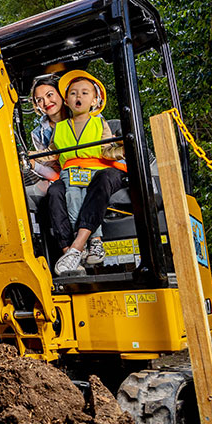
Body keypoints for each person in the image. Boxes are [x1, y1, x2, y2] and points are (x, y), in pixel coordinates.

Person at [46, 70, 127, 276]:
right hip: (71, 173)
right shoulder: (60, 128)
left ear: (94, 100)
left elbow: (107, 151)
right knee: (56, 192)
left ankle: (85, 242)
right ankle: (69, 254)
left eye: (84, 93)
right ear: (66, 101)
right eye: (73, 93)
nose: (78, 97)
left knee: (99, 182)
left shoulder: (100, 123)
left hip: (98, 169)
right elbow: (51, 154)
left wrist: (122, 149)